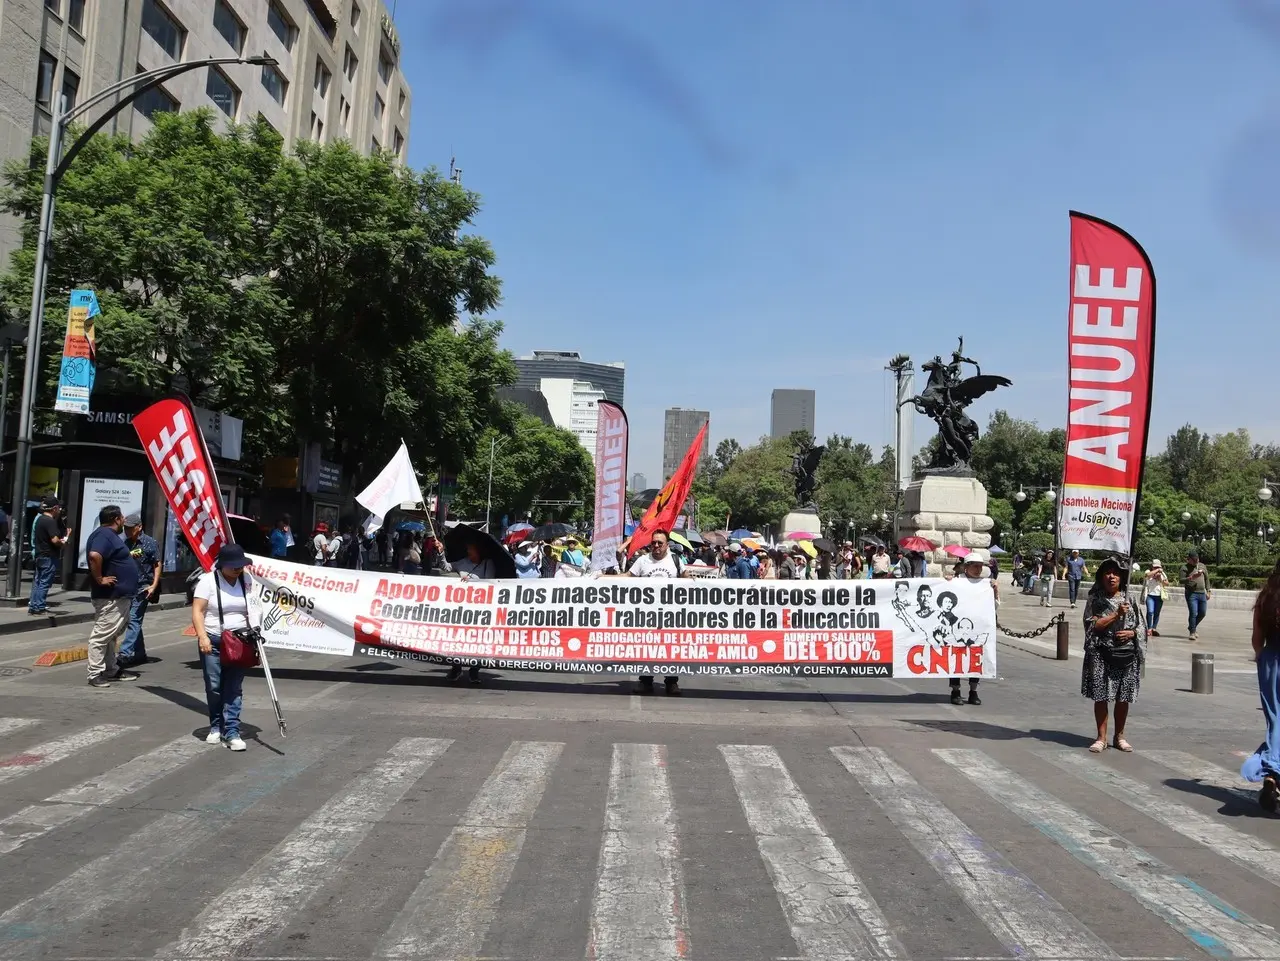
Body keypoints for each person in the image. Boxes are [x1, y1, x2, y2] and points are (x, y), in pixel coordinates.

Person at [191, 544, 257, 751]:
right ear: (222, 565)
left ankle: (232, 731)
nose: (238, 569)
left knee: (234, 687)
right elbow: (198, 611)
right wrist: (202, 637)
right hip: (214, 639)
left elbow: (255, 607)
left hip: (240, 640)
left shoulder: (247, 580)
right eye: (234, 566)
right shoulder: (207, 581)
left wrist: (256, 630)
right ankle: (216, 725)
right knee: (214, 685)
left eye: (241, 565)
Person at [1081, 557, 1145, 753]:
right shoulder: (1095, 599)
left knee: (1122, 696)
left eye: (1116, 573)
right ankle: (1101, 737)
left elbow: (1142, 626)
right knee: (1101, 696)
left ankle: (1120, 736)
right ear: (1101, 576)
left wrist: (1132, 633)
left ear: (1121, 577)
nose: (1111, 576)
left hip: (1125, 654)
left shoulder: (1130, 598)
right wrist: (1116, 615)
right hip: (1101, 653)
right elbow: (1092, 625)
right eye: (1108, 572)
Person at [84, 505, 140, 688]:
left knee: (111, 635)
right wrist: (100, 578)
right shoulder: (104, 535)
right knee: (101, 635)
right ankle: (94, 673)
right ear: (116, 518)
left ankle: (111, 669)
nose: (124, 520)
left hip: (117, 596)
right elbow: (94, 556)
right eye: (122, 517)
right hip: (111, 597)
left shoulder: (109, 536)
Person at [624, 529, 684, 695]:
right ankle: (646, 681)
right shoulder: (643, 561)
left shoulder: (675, 560)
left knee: (670, 650)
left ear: (667, 545)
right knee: (647, 648)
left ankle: (671, 682)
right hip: (647, 615)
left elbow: (687, 580)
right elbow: (628, 576)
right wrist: (603, 579)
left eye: (660, 543)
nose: (656, 546)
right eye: (653, 542)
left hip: (671, 615)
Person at [1246, 558, 1280, 813]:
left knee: (1276, 720)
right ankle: (1271, 770)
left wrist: (1263, 658)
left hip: (1271, 663)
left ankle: (1271, 772)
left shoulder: (1265, 598)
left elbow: (1257, 640)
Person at [950, 556, 997, 705]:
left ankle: (973, 691)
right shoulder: (957, 581)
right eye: (975, 566)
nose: (978, 570)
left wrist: (995, 591)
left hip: (976, 627)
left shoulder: (985, 584)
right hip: (958, 626)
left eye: (980, 566)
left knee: (975, 659)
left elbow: (994, 606)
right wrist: (946, 581)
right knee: (956, 659)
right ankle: (955, 690)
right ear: (966, 567)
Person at [119, 513, 160, 669]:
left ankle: (125, 653)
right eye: (125, 528)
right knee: (132, 619)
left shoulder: (150, 543)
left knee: (134, 619)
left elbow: (157, 564)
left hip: (144, 587)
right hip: (128, 587)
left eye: (130, 528)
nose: (127, 531)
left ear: (139, 527)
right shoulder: (124, 543)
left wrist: (154, 585)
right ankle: (140, 654)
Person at [28, 495, 71, 615]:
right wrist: (64, 542)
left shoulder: (39, 519)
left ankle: (34, 605)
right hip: (48, 555)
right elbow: (55, 540)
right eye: (58, 509)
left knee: (38, 581)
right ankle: (39, 607)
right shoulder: (50, 521)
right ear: (55, 508)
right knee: (44, 582)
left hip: (39, 554)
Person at [1183, 551, 1211, 640]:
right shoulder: (1185, 568)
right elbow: (1181, 580)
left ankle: (1192, 626)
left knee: (1202, 613)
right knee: (1193, 613)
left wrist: (1208, 590)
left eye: (1197, 560)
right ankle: (1192, 632)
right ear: (1189, 560)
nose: (1196, 562)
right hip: (1191, 593)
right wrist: (1191, 577)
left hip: (1202, 593)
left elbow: (1206, 579)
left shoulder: (1202, 566)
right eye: (1194, 560)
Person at [1142, 559, 1169, 636]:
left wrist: (1160, 579)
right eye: (1155, 567)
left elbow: (1167, 583)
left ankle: (1154, 628)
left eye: (1158, 567)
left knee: (1157, 613)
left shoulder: (1162, 574)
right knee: (1150, 612)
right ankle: (1149, 628)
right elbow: (1147, 576)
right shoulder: (1148, 572)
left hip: (1159, 596)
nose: (1156, 568)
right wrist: (1156, 571)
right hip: (1150, 595)